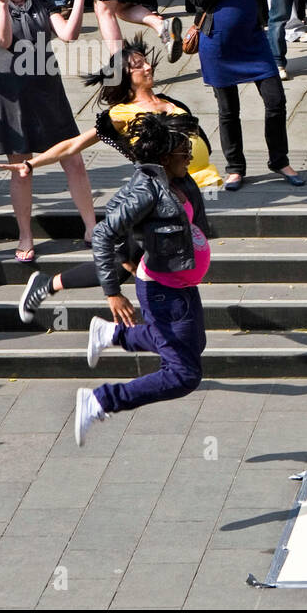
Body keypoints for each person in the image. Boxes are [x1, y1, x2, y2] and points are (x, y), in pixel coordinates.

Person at [0, 38, 221, 324]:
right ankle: (51, 287)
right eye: (138, 65)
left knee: (146, 258)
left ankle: (162, 315)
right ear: (125, 77)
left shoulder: (170, 101)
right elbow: (72, 145)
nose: (148, 66)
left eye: (146, 61)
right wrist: (31, 163)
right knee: (128, 262)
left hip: (186, 188)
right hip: (154, 196)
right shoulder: (120, 114)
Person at [77, 112, 213, 447]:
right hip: (163, 291)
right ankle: (100, 401)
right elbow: (105, 232)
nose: (191, 158)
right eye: (185, 154)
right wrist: (113, 291)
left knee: (194, 345)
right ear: (166, 158)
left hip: (181, 285)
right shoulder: (147, 190)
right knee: (183, 375)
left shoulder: (177, 179)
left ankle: (111, 335)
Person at [0, 0, 100, 261]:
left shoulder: (41, 0)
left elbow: (68, 34)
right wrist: (4, 5)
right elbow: (2, 40)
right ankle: (25, 235)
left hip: (47, 88)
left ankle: (91, 227)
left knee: (73, 158)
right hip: (12, 94)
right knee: (22, 168)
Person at [187, 0, 305, 191]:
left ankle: (279, 160)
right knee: (228, 110)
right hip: (217, 42)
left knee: (276, 100)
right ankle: (235, 167)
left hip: (252, 38)